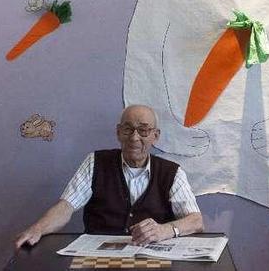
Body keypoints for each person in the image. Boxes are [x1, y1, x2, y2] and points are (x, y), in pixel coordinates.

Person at [14, 105, 204, 248]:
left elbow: (196, 221)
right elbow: (65, 207)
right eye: (128, 129)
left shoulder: (172, 172)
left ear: (155, 136)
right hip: (97, 257)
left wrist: (165, 230)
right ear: (118, 133)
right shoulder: (95, 162)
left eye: (144, 130)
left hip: (151, 259)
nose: (134, 137)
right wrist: (38, 228)